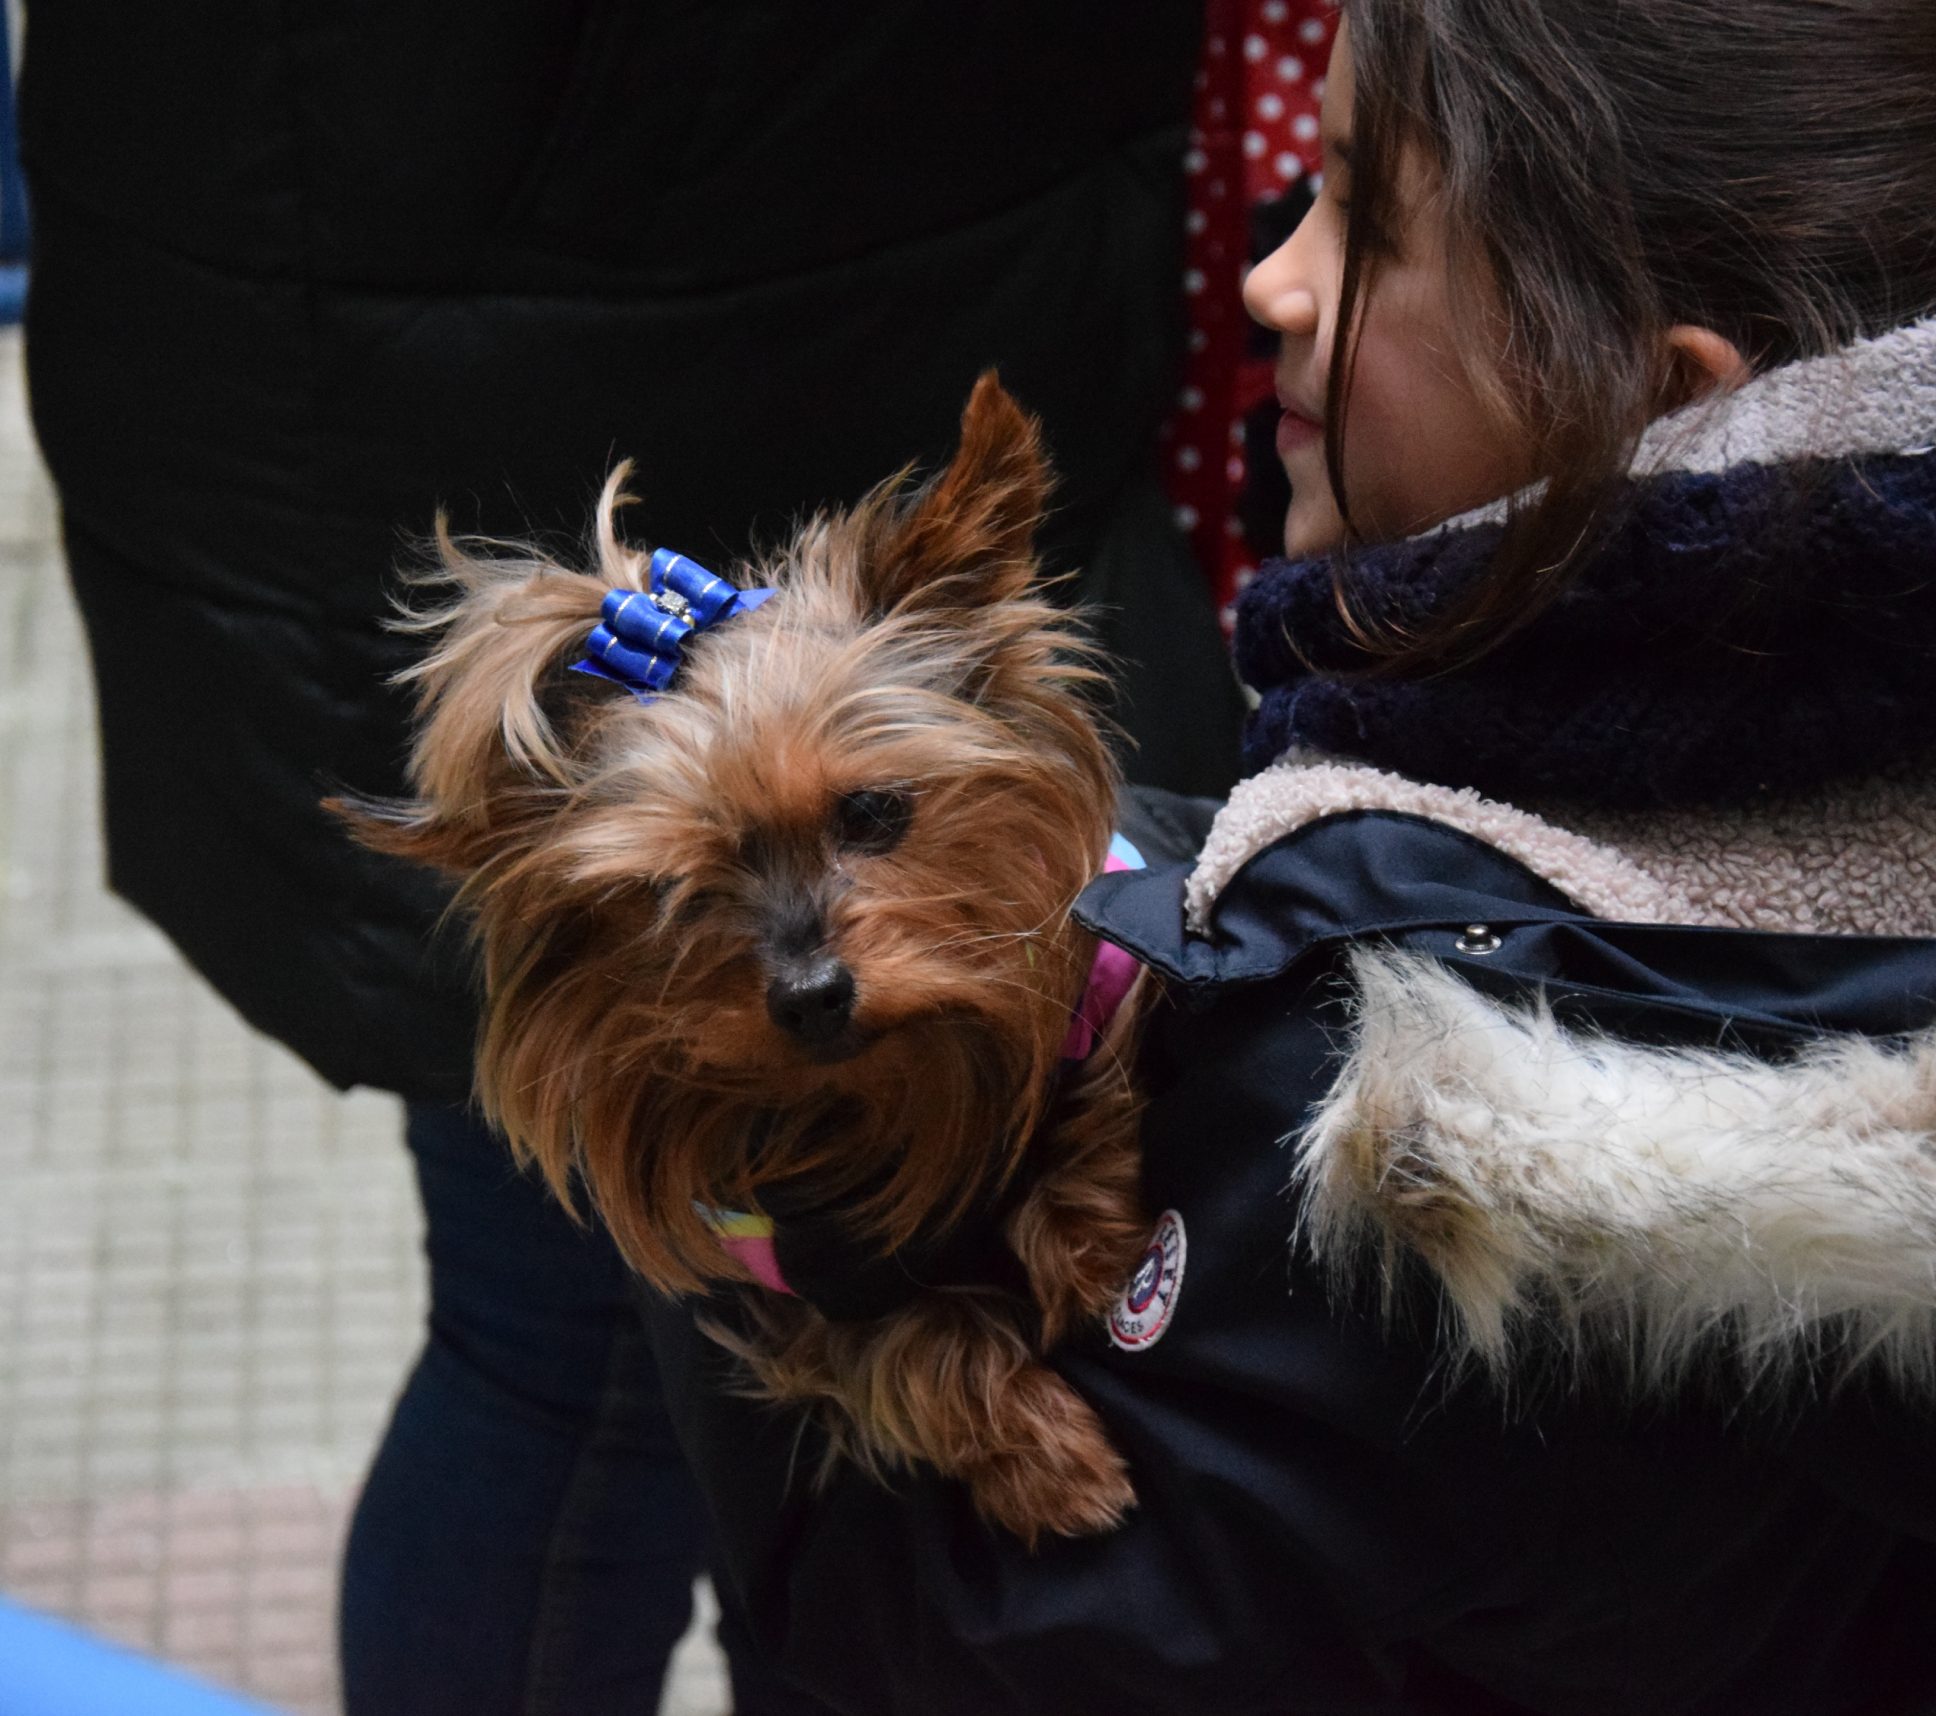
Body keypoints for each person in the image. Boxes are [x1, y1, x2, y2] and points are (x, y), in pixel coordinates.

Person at [652, 3, 1936, 1712]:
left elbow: (965, 1652)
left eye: (1361, 224)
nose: (1270, 281)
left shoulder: (1393, 1040)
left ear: (1660, 400)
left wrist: (726, 1205)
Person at [16, 5, 1240, 1713]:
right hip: (510, 317)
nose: (809, 955)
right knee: (582, 1366)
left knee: (560, 1377)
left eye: (869, 824)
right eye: (679, 892)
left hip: (322, 317)